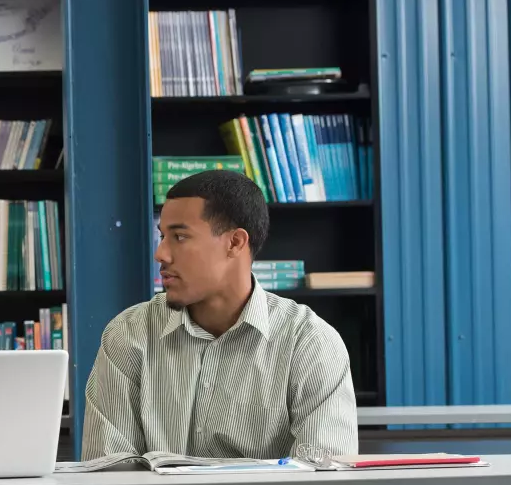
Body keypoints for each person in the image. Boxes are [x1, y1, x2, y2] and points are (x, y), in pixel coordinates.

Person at [82, 168, 358, 462]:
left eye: (179, 236)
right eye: (162, 236)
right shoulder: (129, 334)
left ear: (235, 243)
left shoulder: (311, 343)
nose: (160, 254)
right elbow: (109, 477)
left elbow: (324, 481)